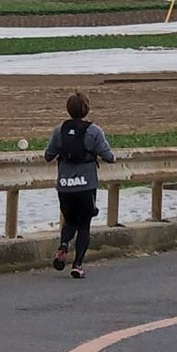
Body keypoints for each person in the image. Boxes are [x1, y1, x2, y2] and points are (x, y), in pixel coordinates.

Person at [44, 91, 115, 279]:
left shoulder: (59, 130)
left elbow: (48, 155)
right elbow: (108, 156)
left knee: (70, 220)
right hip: (86, 185)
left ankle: (64, 245)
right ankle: (77, 265)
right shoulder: (94, 131)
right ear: (86, 109)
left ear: (68, 109)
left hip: (65, 186)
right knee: (84, 225)